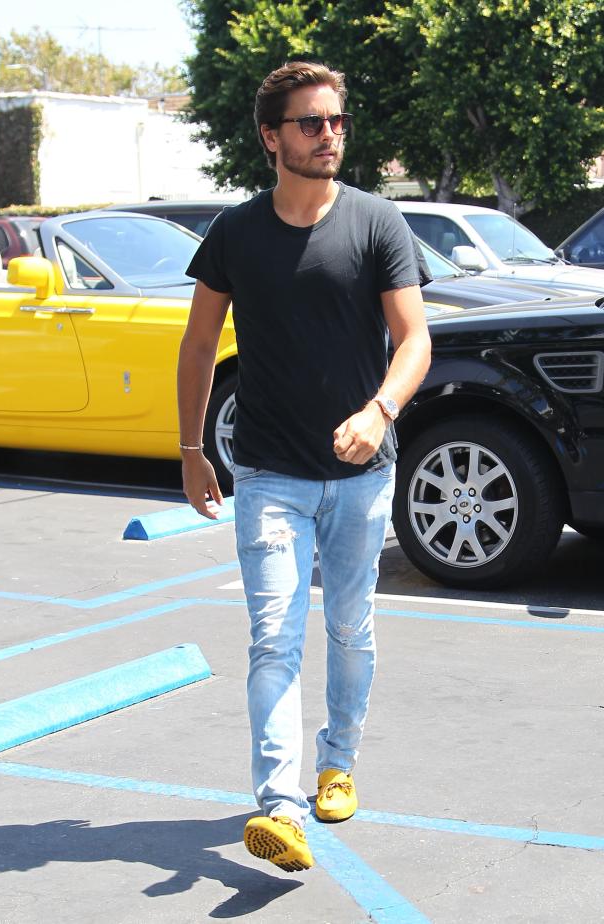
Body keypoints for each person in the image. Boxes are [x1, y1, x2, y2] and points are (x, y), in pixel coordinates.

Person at [177, 60, 432, 872]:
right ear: (270, 137)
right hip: (268, 476)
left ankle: (337, 765)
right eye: (311, 124)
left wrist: (379, 409)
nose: (330, 136)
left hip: (363, 475)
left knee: (351, 627)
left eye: (337, 123)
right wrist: (189, 450)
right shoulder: (237, 232)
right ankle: (280, 808)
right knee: (273, 639)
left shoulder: (376, 223)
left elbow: (415, 340)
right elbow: (196, 345)